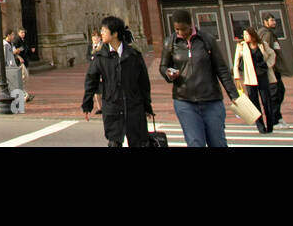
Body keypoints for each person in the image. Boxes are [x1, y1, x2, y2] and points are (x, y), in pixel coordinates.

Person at [159, 9, 238, 147]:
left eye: (183, 29)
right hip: (184, 101)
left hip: (211, 100)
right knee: (195, 142)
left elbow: (222, 69)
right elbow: (163, 66)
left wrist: (234, 95)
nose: (180, 33)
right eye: (176, 29)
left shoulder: (206, 40)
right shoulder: (170, 43)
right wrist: (168, 73)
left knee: (218, 142)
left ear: (191, 25)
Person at [81, 16, 152, 147]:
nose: (101, 33)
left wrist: (147, 106)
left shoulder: (133, 55)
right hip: (112, 106)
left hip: (134, 106)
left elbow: (143, 83)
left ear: (115, 34)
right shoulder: (100, 56)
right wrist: (87, 104)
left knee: (138, 142)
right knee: (114, 142)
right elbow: (91, 80)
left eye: (104, 30)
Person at [232, 28, 277, 134]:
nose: (245, 36)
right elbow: (236, 61)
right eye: (244, 35)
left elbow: (272, 54)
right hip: (249, 78)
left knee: (267, 101)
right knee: (254, 103)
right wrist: (237, 77)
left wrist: (268, 64)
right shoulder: (241, 46)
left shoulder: (262, 44)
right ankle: (260, 127)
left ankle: (270, 125)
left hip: (262, 76)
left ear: (252, 35)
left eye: (247, 34)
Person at [259, 13, 287, 128]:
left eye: (274, 20)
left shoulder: (269, 33)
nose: (274, 22)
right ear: (265, 22)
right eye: (271, 20)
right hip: (271, 70)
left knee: (279, 92)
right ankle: (274, 120)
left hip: (274, 69)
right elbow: (266, 52)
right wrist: (269, 66)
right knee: (275, 94)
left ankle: (278, 117)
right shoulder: (267, 34)